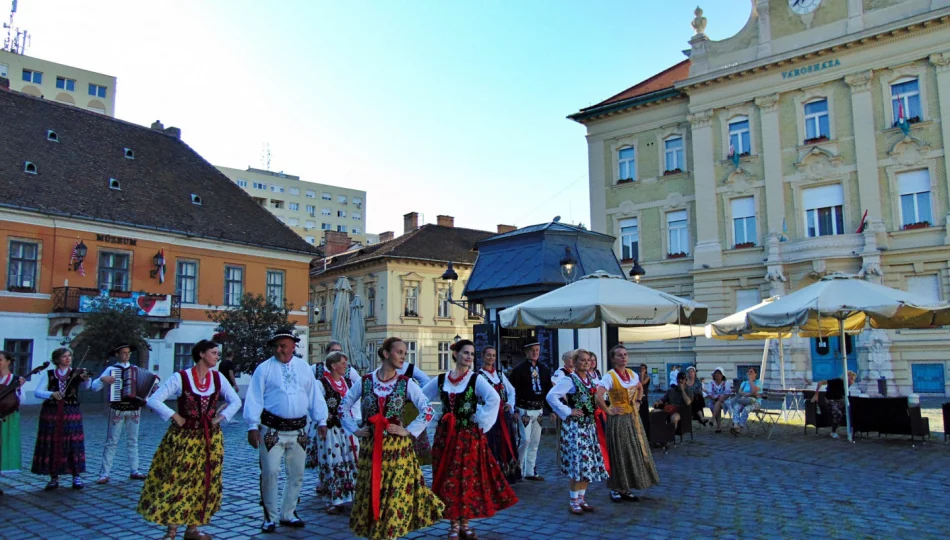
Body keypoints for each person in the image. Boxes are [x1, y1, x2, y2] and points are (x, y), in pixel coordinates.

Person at [137, 340, 242, 540]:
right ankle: (171, 531)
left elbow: (235, 400)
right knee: (177, 480)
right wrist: (175, 416)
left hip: (209, 439)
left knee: (204, 482)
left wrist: (220, 418)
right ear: (201, 354)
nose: (217, 356)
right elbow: (154, 400)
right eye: (213, 352)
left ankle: (193, 529)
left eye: (217, 353)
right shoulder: (182, 377)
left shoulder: (217, 378)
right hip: (184, 438)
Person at [341, 337, 443, 540]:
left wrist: (408, 430)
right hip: (371, 449)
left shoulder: (406, 384)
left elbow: (427, 410)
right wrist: (355, 429)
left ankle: (390, 535)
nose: (403, 357)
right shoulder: (366, 381)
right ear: (386, 354)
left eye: (405, 353)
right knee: (372, 492)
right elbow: (343, 405)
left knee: (394, 497)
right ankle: (375, 533)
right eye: (399, 352)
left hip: (397, 451)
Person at [422, 340, 517, 539]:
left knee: (465, 479)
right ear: (455, 354)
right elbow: (421, 398)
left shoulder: (475, 379)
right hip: (445, 436)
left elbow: (494, 399)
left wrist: (480, 420)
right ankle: (453, 524)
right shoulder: (441, 380)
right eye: (466, 353)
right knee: (448, 479)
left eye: (472, 354)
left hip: (467, 436)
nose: (469, 357)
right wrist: (425, 419)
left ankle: (464, 523)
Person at [244, 330, 329, 533]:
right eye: (277, 346)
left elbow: (313, 395)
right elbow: (254, 397)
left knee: (297, 473)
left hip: (299, 430)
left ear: (293, 346)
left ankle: (288, 512)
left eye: (284, 345)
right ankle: (270, 516)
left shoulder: (303, 369)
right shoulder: (264, 369)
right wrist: (252, 426)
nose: (280, 349)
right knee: (270, 472)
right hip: (272, 429)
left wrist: (322, 420)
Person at [546, 349, 608, 515]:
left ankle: (581, 498)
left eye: (588, 360)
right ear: (574, 362)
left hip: (589, 426)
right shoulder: (569, 379)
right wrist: (568, 411)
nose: (586, 363)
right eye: (582, 360)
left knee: (588, 464)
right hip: (575, 428)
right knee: (578, 464)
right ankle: (573, 500)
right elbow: (551, 396)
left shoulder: (590, 379)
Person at [595, 345, 659, 503]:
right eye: (619, 355)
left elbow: (639, 388)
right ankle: (616, 488)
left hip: (632, 418)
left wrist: (638, 401)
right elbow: (598, 396)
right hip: (618, 420)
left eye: (625, 354)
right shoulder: (609, 376)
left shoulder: (631, 374)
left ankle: (626, 487)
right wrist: (609, 411)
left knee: (633, 451)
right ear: (613, 359)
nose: (623, 357)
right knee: (619, 452)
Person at [89, 344, 155, 484]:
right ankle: (104, 473)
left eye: (128, 353)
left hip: (134, 409)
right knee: (112, 441)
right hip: (117, 407)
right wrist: (102, 379)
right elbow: (94, 388)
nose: (127, 355)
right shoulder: (111, 369)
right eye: (124, 353)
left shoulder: (136, 370)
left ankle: (135, 470)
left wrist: (146, 399)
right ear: (117, 355)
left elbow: (147, 387)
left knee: (133, 440)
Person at [31, 347, 91, 490]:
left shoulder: (77, 372)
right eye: (64, 356)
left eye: (69, 356)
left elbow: (87, 386)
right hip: (51, 412)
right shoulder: (49, 374)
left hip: (71, 411)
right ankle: (54, 477)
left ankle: (76, 476)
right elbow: (38, 392)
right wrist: (51, 394)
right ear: (57, 359)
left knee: (72, 442)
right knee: (52, 442)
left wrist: (87, 378)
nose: (68, 358)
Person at [309, 351, 360, 514]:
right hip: (330, 429)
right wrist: (323, 420)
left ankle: (352, 494)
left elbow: (354, 403)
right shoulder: (321, 384)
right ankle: (333, 498)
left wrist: (355, 421)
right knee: (333, 461)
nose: (346, 366)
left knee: (352, 458)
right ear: (334, 365)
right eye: (343, 364)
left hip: (347, 428)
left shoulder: (347, 383)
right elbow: (315, 405)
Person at [508, 341, 553, 481]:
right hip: (524, 409)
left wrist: (551, 410)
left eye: (537, 350)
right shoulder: (518, 370)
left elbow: (548, 391)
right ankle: (518, 469)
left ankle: (530, 470)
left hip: (538, 410)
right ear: (526, 352)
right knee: (525, 440)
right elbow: (511, 391)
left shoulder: (544, 370)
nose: (535, 353)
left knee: (535, 441)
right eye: (532, 350)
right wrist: (514, 409)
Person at [479, 345, 521, 484]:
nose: (491, 358)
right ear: (482, 356)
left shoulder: (500, 374)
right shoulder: (478, 376)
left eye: (493, 355)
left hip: (503, 415)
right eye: (488, 355)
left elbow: (512, 390)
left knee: (505, 442)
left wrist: (510, 403)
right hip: (490, 416)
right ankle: (492, 474)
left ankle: (507, 473)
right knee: (492, 443)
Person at [0, 351, 26, 489]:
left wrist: (19, 389)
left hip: (8, 416)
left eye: (0, 360)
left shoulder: (15, 379)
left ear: (8, 362)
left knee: (5, 446)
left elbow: (22, 400)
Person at [810, 370, 857, 439]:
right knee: (838, 413)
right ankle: (833, 431)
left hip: (840, 401)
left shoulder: (847, 386)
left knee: (852, 410)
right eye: (851, 379)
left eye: (853, 380)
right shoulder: (837, 381)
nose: (852, 382)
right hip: (830, 401)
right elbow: (820, 382)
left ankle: (854, 430)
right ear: (847, 377)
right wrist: (816, 394)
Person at [730, 367, 761, 436]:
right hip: (744, 400)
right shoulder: (744, 382)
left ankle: (739, 427)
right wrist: (749, 394)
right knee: (737, 407)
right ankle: (735, 424)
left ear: (755, 374)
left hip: (755, 402)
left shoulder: (758, 382)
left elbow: (754, 390)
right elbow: (740, 392)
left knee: (746, 409)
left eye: (751, 372)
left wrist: (750, 381)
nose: (749, 373)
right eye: (748, 372)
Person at [705, 367, 731, 433]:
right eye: (715, 373)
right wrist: (714, 398)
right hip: (714, 400)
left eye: (719, 373)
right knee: (717, 405)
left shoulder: (726, 383)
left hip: (724, 401)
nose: (717, 375)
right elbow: (709, 394)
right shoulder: (711, 383)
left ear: (722, 375)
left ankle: (712, 419)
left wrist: (721, 398)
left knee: (718, 403)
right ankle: (718, 427)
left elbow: (727, 394)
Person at [637, 364, 652, 439]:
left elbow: (642, 384)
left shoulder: (647, 377)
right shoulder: (637, 376)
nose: (642, 370)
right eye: (641, 368)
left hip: (644, 399)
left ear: (646, 370)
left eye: (643, 369)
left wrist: (642, 375)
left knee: (645, 417)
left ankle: (647, 434)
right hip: (638, 399)